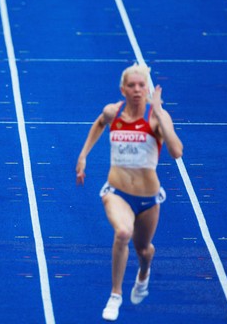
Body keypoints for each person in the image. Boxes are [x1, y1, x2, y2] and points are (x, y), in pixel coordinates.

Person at [75, 64, 183, 321]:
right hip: (117, 192)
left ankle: (144, 272)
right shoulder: (114, 112)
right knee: (123, 232)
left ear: (147, 89)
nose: (136, 90)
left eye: (141, 85)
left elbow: (176, 151)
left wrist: (158, 112)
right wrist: (83, 155)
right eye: (131, 86)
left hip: (147, 199)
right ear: (123, 89)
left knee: (143, 249)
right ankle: (115, 295)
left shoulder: (157, 117)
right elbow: (99, 123)